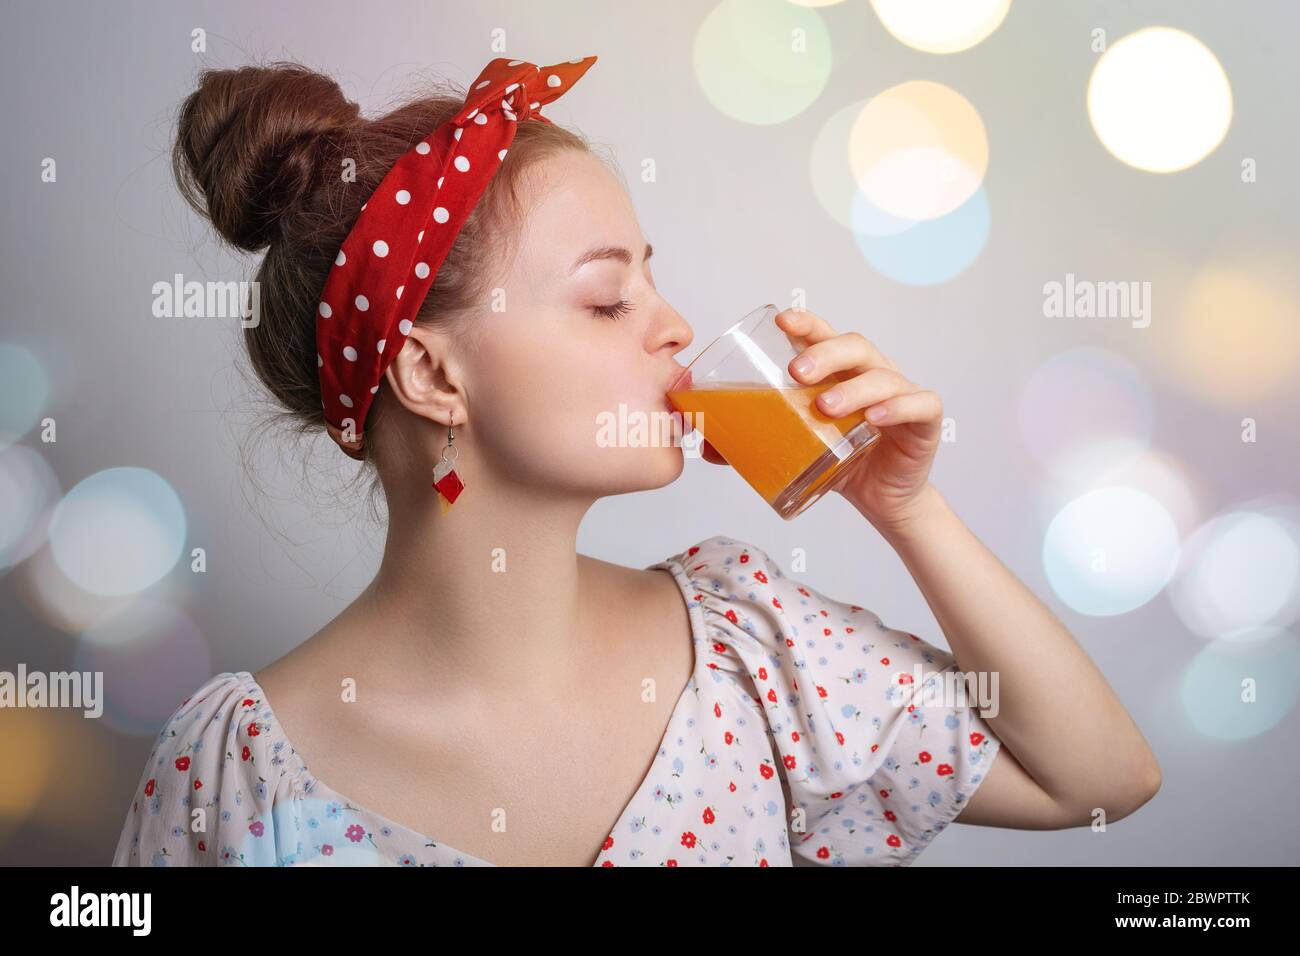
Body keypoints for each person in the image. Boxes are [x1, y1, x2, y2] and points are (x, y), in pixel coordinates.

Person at [112, 55, 1160, 867]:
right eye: (608, 299)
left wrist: (906, 507)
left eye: (651, 285)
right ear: (430, 375)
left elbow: (1099, 781)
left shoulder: (754, 650)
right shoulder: (234, 771)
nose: (674, 331)